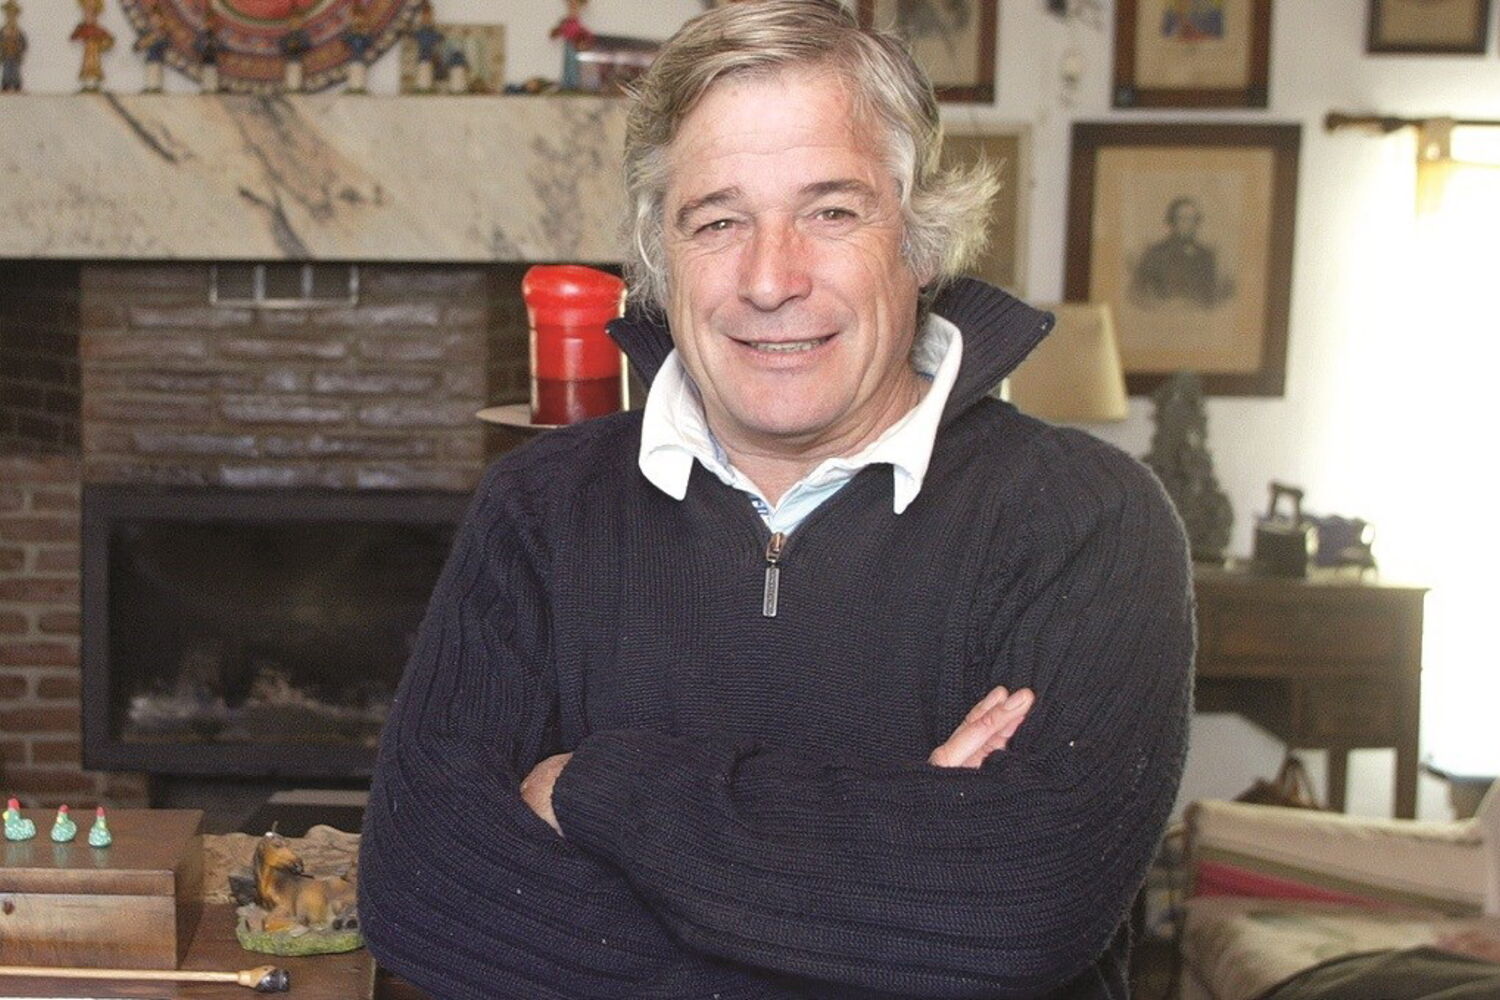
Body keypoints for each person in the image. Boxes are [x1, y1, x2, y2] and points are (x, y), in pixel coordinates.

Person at [359, 2, 1193, 998]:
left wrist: (593, 787)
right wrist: (893, 911)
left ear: (921, 240)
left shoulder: (1088, 521)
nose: (769, 279)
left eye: (830, 212)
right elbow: (424, 890)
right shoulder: (540, 507)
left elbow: (1022, 908)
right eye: (718, 221)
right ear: (662, 259)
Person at [1132, 195, 1228, 309]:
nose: (1189, 224)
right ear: (1171, 221)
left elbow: (1212, 297)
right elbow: (1137, 294)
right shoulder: (1155, 253)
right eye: (1183, 219)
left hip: (1198, 316)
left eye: (1193, 219)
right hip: (1163, 315)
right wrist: (1161, 306)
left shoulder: (1206, 255)